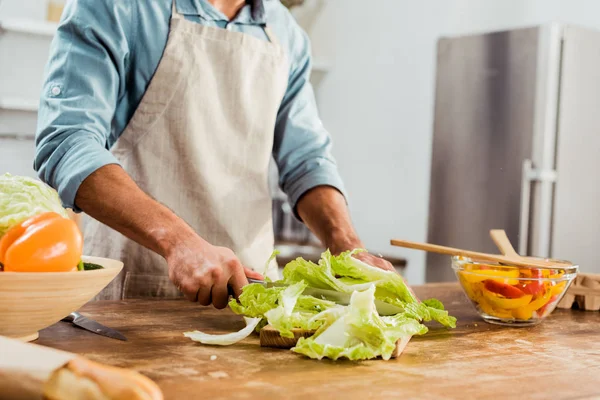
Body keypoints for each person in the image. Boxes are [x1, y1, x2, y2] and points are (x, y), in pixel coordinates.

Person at [34, 0, 394, 308]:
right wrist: (178, 241)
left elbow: (307, 161)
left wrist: (348, 248)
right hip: (135, 294)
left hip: (252, 299)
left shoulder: (287, 34)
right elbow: (67, 142)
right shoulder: (117, 6)